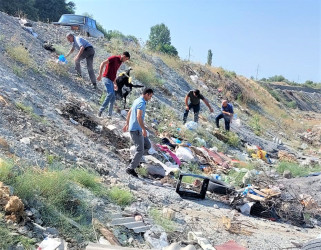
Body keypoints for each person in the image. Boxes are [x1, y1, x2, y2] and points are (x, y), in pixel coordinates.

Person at [122, 88, 154, 177]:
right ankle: (130, 169)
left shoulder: (137, 100)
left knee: (147, 146)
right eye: (150, 96)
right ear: (147, 94)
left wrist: (127, 124)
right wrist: (143, 129)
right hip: (136, 130)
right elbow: (138, 116)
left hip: (137, 129)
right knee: (140, 150)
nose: (150, 98)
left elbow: (129, 112)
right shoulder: (141, 103)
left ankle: (134, 159)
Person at [97, 52, 131, 117]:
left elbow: (114, 73)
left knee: (113, 98)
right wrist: (100, 74)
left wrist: (115, 84)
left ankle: (109, 116)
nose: (125, 61)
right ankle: (100, 110)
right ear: (123, 56)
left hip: (111, 81)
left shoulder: (120, 62)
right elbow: (103, 63)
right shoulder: (114, 58)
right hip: (106, 78)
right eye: (126, 59)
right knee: (110, 93)